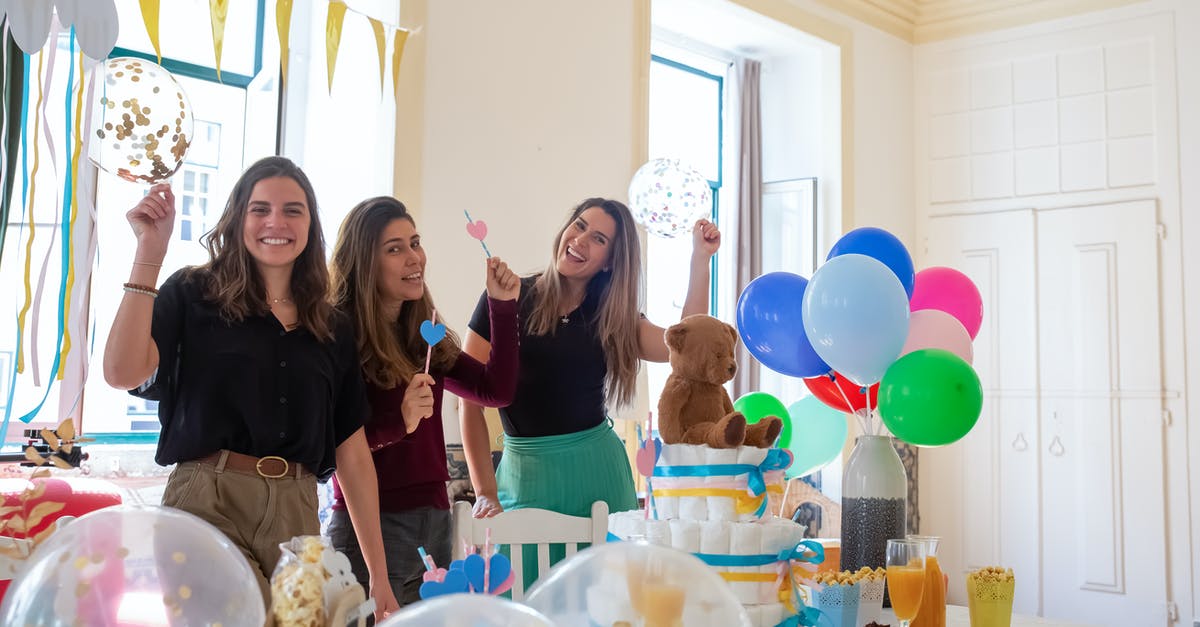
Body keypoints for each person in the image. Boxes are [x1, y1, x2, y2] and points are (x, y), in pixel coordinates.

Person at [102, 156, 399, 620]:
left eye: (292, 210)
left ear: (310, 224)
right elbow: (121, 372)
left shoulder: (332, 325)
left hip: (297, 508)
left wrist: (378, 576)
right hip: (207, 496)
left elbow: (354, 457)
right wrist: (149, 254)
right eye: (260, 209)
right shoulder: (193, 293)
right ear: (238, 218)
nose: (275, 222)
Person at [459, 197, 720, 521]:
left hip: (600, 478)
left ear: (610, 261)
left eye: (598, 239)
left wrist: (700, 261)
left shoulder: (613, 316)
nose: (580, 240)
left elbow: (685, 347)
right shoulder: (504, 298)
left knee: (605, 573)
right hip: (525, 479)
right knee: (528, 573)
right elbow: (468, 401)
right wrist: (485, 492)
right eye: (579, 226)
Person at [325, 196, 521, 606]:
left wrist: (501, 308)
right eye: (394, 249)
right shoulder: (338, 336)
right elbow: (334, 447)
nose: (414, 257)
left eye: (415, 242)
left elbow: (494, 391)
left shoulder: (425, 332)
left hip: (434, 519)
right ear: (364, 262)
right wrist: (399, 423)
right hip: (373, 526)